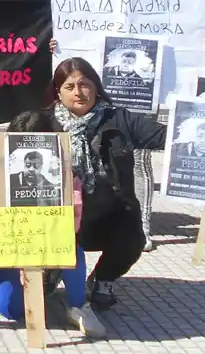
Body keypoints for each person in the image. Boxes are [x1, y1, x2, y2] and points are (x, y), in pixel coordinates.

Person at [41, 57, 180, 309]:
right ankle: (51, 269)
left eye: (84, 84)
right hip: (58, 216)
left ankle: (103, 279)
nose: (78, 92)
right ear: (58, 92)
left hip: (109, 214)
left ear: (96, 86)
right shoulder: (43, 123)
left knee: (132, 236)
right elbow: (10, 150)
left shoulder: (119, 119)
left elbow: (165, 137)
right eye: (69, 86)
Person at [0, 111, 105, 338]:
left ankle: (78, 306)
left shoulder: (64, 177)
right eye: (25, 159)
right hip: (10, 250)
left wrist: (67, 193)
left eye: (36, 160)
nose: (31, 167)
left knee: (73, 249)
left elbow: (74, 225)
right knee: (11, 310)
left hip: (49, 244)